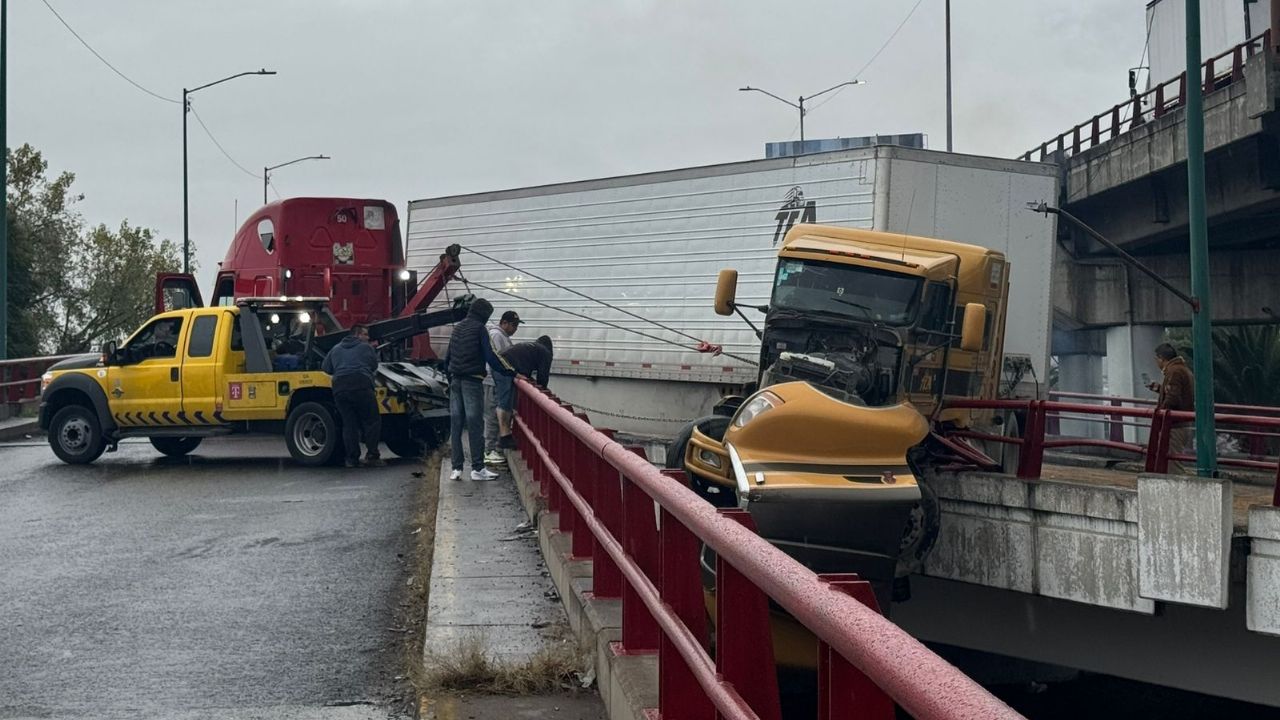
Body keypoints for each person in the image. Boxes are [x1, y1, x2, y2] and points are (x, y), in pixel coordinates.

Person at [445, 298, 515, 481]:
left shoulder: (457, 328)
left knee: (456, 425)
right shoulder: (479, 329)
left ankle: (456, 468)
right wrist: (510, 371)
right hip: (472, 380)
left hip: (455, 379)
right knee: (475, 424)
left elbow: (447, 357)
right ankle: (478, 468)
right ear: (484, 314)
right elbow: (491, 356)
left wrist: (450, 378)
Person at [322, 323, 384, 468]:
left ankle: (352, 459)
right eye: (365, 334)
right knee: (371, 421)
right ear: (357, 334)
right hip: (361, 385)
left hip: (340, 388)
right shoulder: (366, 347)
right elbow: (374, 365)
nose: (368, 338)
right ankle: (372, 455)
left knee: (349, 424)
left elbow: (326, 368)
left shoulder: (335, 349)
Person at [497, 336, 554, 447]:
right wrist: (542, 390)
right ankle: (504, 438)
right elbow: (543, 375)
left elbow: (524, 364)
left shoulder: (533, 348)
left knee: (506, 401)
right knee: (505, 402)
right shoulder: (545, 353)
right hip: (506, 364)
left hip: (501, 360)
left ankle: (504, 436)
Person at [1147, 342, 1195, 473]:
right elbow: (1175, 392)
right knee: (1172, 460)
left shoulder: (1174, 372)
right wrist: (1158, 388)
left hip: (1175, 425)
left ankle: (1178, 485)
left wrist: (1160, 413)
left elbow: (1173, 397)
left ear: (1161, 358)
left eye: (1156, 359)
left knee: (1173, 464)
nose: (1156, 363)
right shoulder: (1182, 369)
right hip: (1183, 423)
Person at [483, 311, 520, 465]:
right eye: (513, 325)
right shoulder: (497, 335)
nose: (515, 328)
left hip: (499, 381)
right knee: (493, 415)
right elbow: (497, 359)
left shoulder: (503, 337)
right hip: (493, 381)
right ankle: (489, 450)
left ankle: (496, 449)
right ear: (504, 323)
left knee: (500, 414)